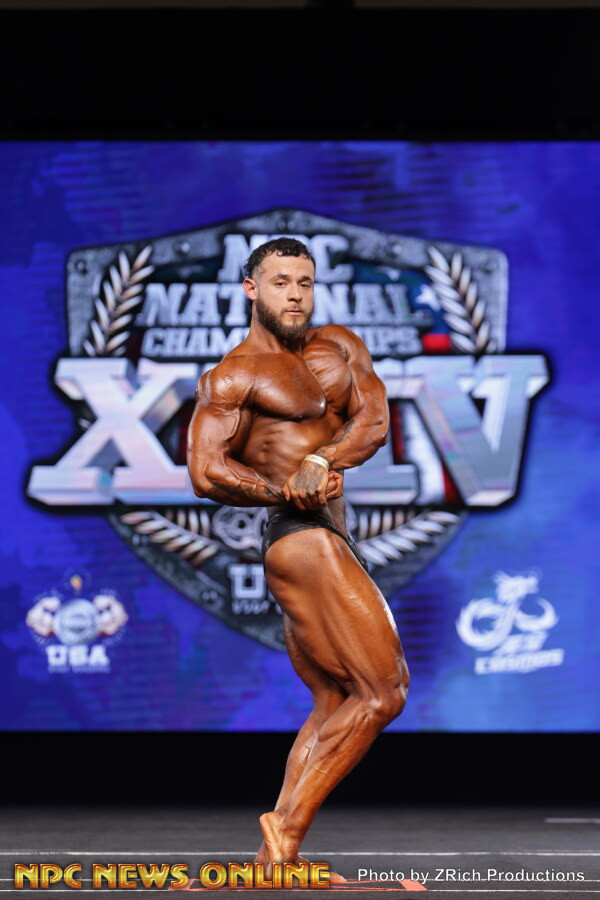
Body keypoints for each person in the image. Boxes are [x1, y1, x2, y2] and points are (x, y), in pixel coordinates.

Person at [187, 237, 409, 876]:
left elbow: (372, 423)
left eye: (304, 282)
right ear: (251, 289)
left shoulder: (338, 346)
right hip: (297, 536)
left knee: (335, 699)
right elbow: (205, 471)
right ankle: (285, 827)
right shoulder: (234, 375)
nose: (294, 294)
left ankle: (270, 862)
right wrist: (282, 490)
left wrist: (322, 458)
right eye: (280, 281)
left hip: (331, 534)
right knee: (384, 692)